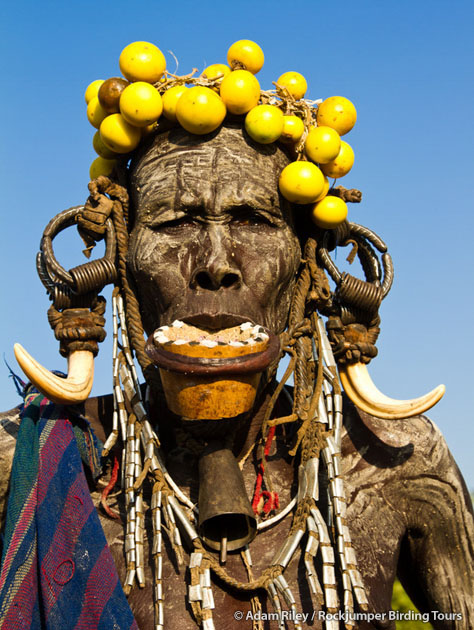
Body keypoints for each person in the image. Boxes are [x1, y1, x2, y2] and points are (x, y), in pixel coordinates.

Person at [1, 122, 473, 630]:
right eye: (176, 222)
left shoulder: (394, 461)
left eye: (252, 220)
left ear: (305, 264)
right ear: (121, 260)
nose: (216, 263)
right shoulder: (27, 458)